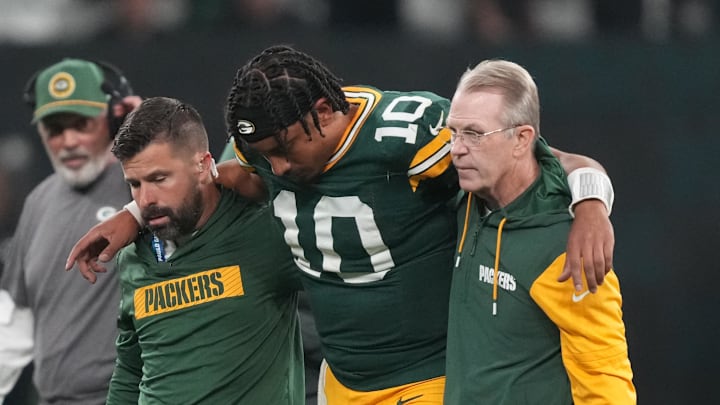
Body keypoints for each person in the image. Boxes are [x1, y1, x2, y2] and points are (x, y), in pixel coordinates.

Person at [67, 45, 615, 404]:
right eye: (263, 154)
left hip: (424, 379)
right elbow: (200, 173)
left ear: (325, 114)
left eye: (283, 150)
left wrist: (590, 202)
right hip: (341, 383)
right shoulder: (263, 140)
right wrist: (134, 213)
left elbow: (539, 156)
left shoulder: (413, 130)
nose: (276, 168)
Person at [444, 59, 635, 404]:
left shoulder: (567, 246)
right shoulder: (467, 197)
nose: (457, 148)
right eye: (453, 132)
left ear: (521, 139)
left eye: (473, 133)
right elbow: (563, 160)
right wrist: (592, 195)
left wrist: (592, 205)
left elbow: (605, 379)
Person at [104, 96, 304, 404]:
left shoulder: (265, 232)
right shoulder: (133, 256)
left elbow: (301, 169)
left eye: (159, 178)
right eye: (135, 184)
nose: (145, 200)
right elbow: (131, 371)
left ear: (203, 165)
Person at [0, 58, 138, 404]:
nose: (69, 140)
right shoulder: (38, 201)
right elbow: (13, 320)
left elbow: (196, 187)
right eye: (55, 129)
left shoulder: (139, 183)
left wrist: (144, 130)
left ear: (110, 119)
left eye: (82, 124)